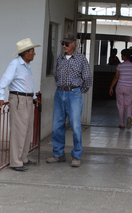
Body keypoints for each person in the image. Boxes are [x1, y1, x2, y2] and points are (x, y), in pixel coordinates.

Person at [46, 34, 92, 168]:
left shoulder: (81, 59)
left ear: (74, 44)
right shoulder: (59, 58)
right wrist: (62, 88)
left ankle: (76, 156)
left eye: (67, 44)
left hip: (74, 94)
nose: (64, 46)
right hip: (60, 93)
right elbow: (56, 75)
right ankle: (58, 154)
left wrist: (79, 90)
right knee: (57, 125)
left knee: (76, 126)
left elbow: (87, 78)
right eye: (63, 43)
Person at [0, 38, 40, 172]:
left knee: (27, 131)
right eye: (32, 51)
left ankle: (23, 158)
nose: (34, 53)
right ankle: (15, 162)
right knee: (18, 131)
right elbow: (3, 82)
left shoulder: (26, 66)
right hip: (19, 99)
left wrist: (34, 97)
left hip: (27, 99)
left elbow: (28, 84)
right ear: (25, 53)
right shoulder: (15, 64)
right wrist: (1, 97)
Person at [109, 47, 132, 129]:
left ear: (125, 56)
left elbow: (116, 77)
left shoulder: (120, 66)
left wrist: (111, 87)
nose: (121, 56)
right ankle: (129, 117)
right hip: (129, 87)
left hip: (120, 87)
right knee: (129, 104)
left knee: (120, 106)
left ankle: (122, 124)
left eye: (122, 55)